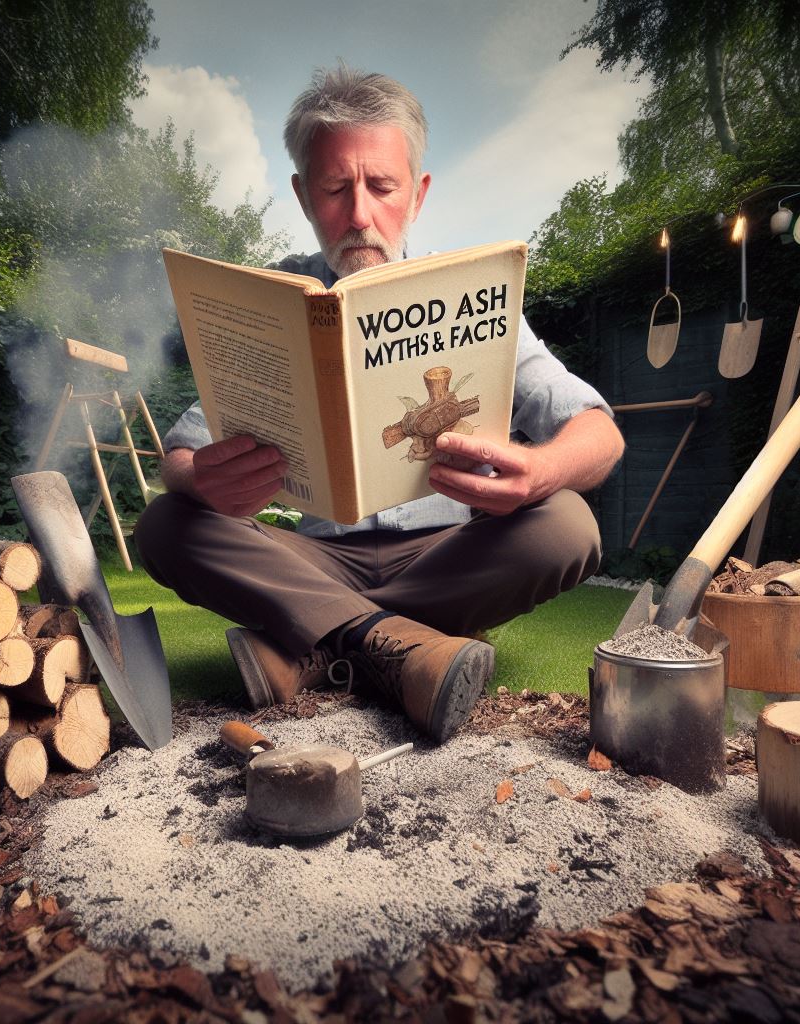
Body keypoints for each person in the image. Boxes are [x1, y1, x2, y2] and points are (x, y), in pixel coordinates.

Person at [134, 65, 624, 743]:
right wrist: (200, 478)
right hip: (315, 559)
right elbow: (179, 455)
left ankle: (312, 647)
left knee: (568, 525)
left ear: (417, 195)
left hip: (449, 554)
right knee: (165, 524)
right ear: (305, 195)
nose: (360, 214)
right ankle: (405, 645)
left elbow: (598, 431)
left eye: (382, 186)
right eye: (335, 188)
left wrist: (541, 472)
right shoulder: (273, 306)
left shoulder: (476, 299)